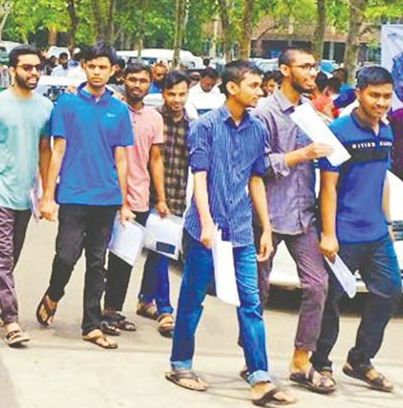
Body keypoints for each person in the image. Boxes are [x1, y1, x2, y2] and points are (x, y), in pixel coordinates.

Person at [166, 60, 295, 406]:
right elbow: (200, 178)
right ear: (232, 88)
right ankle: (180, 364)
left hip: (240, 229)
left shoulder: (257, 130)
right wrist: (207, 223)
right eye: (254, 85)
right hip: (204, 229)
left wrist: (265, 228)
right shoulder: (205, 126)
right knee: (193, 299)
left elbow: (256, 179)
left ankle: (259, 375)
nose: (261, 91)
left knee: (251, 303)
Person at [36, 43, 133, 350]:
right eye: (92, 66)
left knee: (97, 263)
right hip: (73, 194)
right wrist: (48, 196)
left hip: (106, 197)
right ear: (84, 67)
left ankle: (91, 324)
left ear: (112, 70)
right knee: (66, 255)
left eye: (103, 67)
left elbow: (121, 157)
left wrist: (125, 202)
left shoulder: (118, 109)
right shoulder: (66, 103)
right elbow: (58, 149)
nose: (97, 72)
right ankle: (54, 293)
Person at [312, 66, 400, 393]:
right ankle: (320, 363)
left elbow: (383, 180)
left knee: (389, 291)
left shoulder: (386, 130)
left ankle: (360, 360)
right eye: (374, 95)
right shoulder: (338, 131)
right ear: (359, 93)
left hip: (377, 235)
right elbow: (329, 187)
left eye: (386, 96)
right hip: (344, 235)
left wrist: (387, 222)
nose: (380, 102)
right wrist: (329, 233)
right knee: (330, 301)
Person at [252, 48, 334, 394]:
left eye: (314, 66)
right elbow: (256, 165)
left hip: (303, 216)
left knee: (318, 286)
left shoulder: (309, 112)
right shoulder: (264, 113)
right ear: (285, 70)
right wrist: (301, 154)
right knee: (258, 291)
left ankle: (302, 360)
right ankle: (253, 361)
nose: (312, 72)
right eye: (305, 67)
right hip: (268, 216)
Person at [0, 45, 52, 347]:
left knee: (11, 255)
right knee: (1, 256)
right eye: (27, 67)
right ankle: (11, 319)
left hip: (24, 193)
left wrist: (46, 194)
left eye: (37, 67)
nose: (33, 73)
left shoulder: (45, 107)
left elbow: (45, 150)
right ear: (12, 70)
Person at [102, 64, 171, 337]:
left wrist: (161, 198)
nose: (137, 85)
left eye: (143, 80)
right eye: (132, 79)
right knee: (99, 257)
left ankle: (113, 311)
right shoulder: (110, 110)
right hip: (106, 195)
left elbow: (155, 159)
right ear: (123, 80)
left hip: (139, 198)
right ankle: (94, 311)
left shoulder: (154, 118)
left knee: (124, 257)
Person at [145, 71, 193, 336]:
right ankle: (165, 309)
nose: (177, 99)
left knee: (159, 252)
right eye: (171, 94)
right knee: (158, 252)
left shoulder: (192, 125)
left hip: (176, 197)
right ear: (163, 93)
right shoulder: (154, 120)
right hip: (148, 197)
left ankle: (145, 298)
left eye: (182, 94)